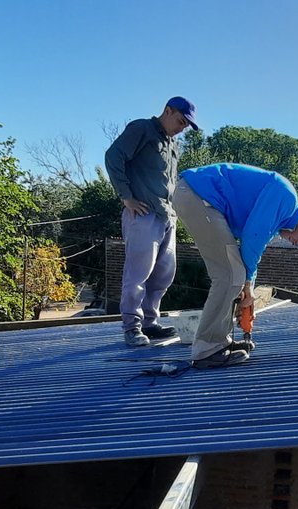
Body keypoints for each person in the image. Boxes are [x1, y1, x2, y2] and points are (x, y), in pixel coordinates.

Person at [172, 163, 298, 368]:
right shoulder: (286, 198)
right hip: (198, 196)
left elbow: (253, 250)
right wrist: (247, 284)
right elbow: (252, 238)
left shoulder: (278, 219)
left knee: (234, 274)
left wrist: (248, 285)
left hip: (197, 196)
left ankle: (219, 341)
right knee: (229, 275)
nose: (297, 243)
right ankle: (207, 350)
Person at [104, 96, 198, 347]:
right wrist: (126, 197)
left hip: (167, 215)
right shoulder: (142, 129)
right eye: (180, 121)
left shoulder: (172, 143)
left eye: (186, 125)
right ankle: (132, 327)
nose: (182, 128)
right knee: (138, 273)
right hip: (143, 213)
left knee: (163, 274)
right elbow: (113, 157)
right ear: (167, 111)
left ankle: (149, 322)